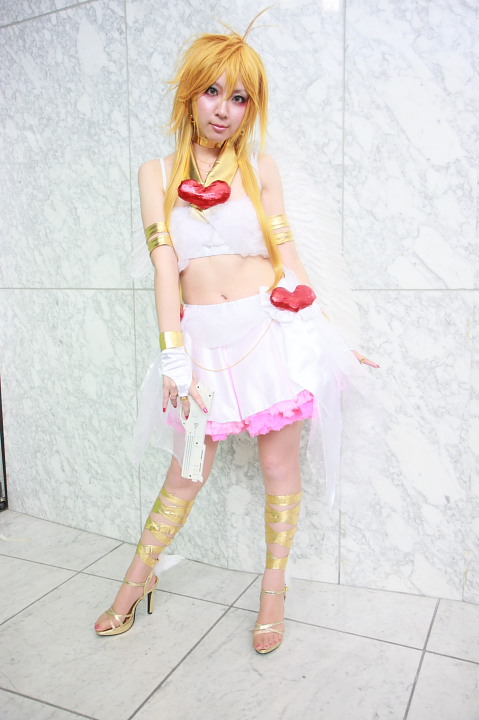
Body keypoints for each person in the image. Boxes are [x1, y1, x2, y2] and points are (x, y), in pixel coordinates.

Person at [94, 26, 378, 654]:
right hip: (200, 347)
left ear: (253, 107)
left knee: (279, 465)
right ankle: (137, 581)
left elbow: (288, 258)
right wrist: (173, 355)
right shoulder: (155, 174)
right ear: (190, 94)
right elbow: (165, 267)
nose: (224, 109)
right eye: (213, 91)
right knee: (186, 472)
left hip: (270, 334)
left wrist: (331, 334)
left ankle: (274, 589)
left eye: (241, 98)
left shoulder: (259, 169)